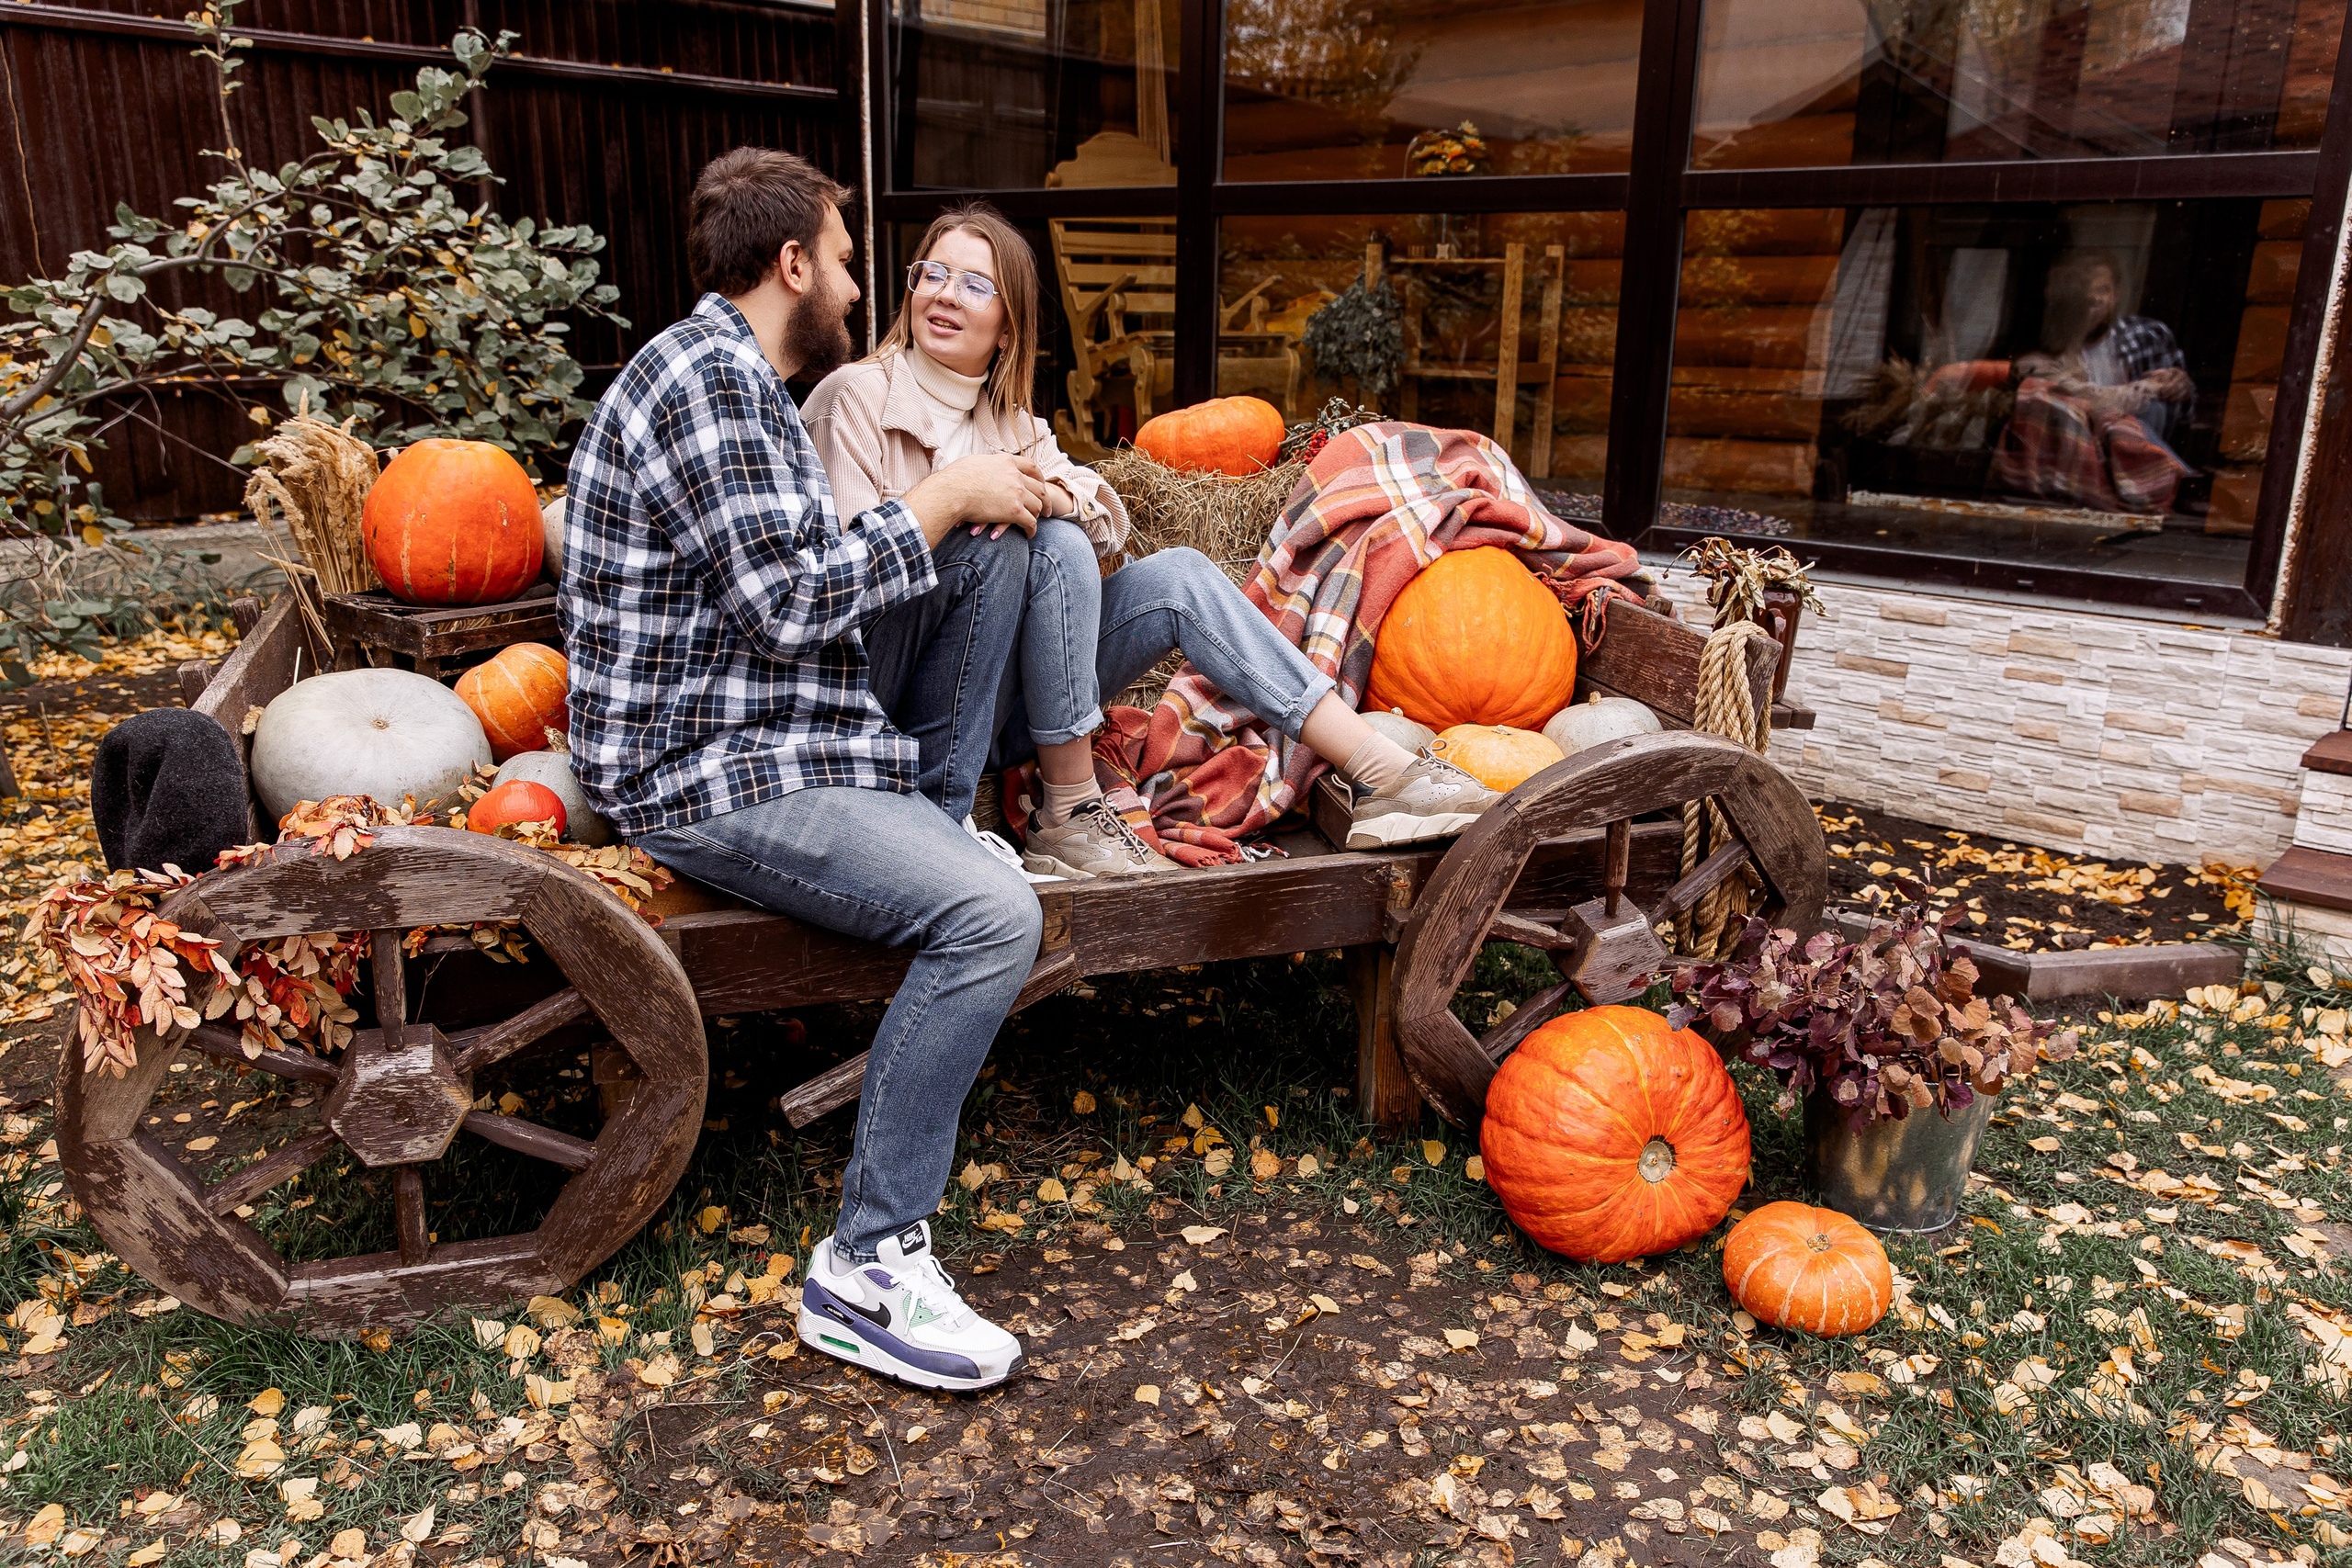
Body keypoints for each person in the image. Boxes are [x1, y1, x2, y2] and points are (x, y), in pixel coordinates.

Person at [558, 148, 1051, 1392]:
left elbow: (782, 603)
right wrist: (940, 502)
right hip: (696, 771)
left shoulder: (735, 379)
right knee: (995, 914)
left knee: (980, 573)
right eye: (839, 257)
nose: (852, 282)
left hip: (747, 735)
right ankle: (868, 1263)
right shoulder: (707, 381)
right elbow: (789, 604)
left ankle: (936, 825)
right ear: (790, 265)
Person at [804, 202, 1499, 879]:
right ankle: (1069, 808)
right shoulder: (855, 399)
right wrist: (962, 501)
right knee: (1050, 544)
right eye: (932, 274)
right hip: (898, 697)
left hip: (1002, 707)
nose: (945, 295)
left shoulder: (1011, 424)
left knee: (1177, 573)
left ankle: (1382, 770)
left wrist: (1036, 491)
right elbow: (851, 590)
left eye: (974, 283)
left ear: (1008, 328)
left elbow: (1110, 516)